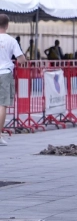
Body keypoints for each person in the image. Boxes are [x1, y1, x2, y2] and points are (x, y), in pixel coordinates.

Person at [0, 14, 27, 145]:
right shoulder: (11, 41)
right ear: (7, 25)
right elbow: (21, 60)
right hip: (5, 73)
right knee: (2, 104)